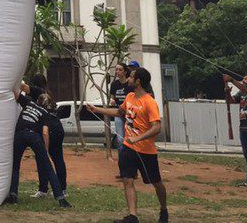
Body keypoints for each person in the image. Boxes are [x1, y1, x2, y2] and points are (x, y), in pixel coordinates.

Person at [87, 67, 169, 223]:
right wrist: (96, 109)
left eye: (131, 77)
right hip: (128, 148)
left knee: (156, 182)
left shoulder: (149, 102)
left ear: (138, 81)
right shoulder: (130, 96)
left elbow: (157, 127)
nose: (128, 79)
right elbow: (119, 113)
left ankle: (164, 210)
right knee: (127, 180)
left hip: (146, 151)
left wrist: (138, 139)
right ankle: (133, 216)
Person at [5, 82, 71, 208]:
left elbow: (16, 93)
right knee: (48, 166)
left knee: (15, 165)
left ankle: (13, 194)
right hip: (34, 136)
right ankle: (61, 198)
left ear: (37, 100)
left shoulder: (28, 103)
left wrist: (11, 82)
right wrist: (45, 150)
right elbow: (45, 132)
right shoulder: (45, 114)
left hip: (20, 134)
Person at [38, 92, 68, 200]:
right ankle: (62, 189)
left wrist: (45, 149)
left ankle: (43, 189)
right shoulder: (53, 110)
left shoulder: (43, 112)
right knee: (59, 160)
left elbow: (45, 132)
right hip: (59, 131)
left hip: (52, 134)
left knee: (44, 160)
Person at [110, 63, 131, 161]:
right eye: (116, 69)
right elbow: (112, 97)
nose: (117, 72)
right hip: (118, 113)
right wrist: (112, 101)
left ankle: (131, 161)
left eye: (120, 70)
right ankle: (122, 162)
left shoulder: (130, 84)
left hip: (130, 115)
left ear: (125, 72)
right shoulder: (114, 84)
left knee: (130, 138)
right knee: (119, 139)